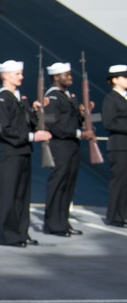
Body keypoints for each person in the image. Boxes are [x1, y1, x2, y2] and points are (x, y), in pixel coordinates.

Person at [0, 60, 52, 246]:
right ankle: (9, 235)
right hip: (11, 152)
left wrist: (37, 111)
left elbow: (29, 122)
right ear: (5, 75)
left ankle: (21, 232)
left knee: (22, 196)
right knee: (9, 195)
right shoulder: (2, 99)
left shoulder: (20, 98)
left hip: (24, 151)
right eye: (17, 74)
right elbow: (6, 129)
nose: (21, 77)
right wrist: (33, 137)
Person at [43, 62, 93, 236]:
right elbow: (53, 125)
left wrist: (82, 114)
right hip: (60, 145)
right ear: (56, 77)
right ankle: (53, 224)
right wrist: (79, 133)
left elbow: (71, 121)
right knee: (58, 184)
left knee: (69, 185)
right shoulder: (52, 97)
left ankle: (63, 222)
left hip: (71, 145)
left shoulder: (68, 96)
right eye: (67, 75)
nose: (70, 78)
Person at [102, 64, 127, 227]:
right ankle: (115, 216)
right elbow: (109, 122)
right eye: (125, 77)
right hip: (119, 146)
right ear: (115, 79)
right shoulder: (111, 99)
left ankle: (123, 213)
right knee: (119, 181)